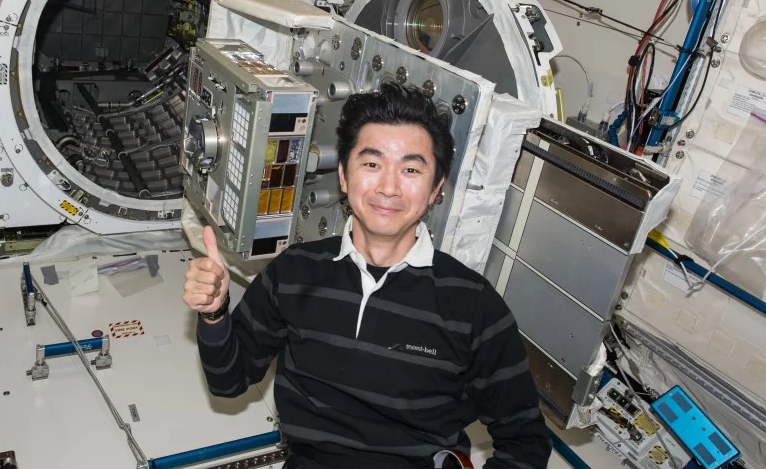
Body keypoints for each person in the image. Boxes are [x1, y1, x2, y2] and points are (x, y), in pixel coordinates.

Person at [182, 83, 551, 469]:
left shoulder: (474, 305)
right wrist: (214, 312)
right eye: (371, 164)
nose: (389, 187)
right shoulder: (293, 273)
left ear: (435, 189)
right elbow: (229, 381)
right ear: (343, 176)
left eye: (410, 169)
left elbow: (525, 441)